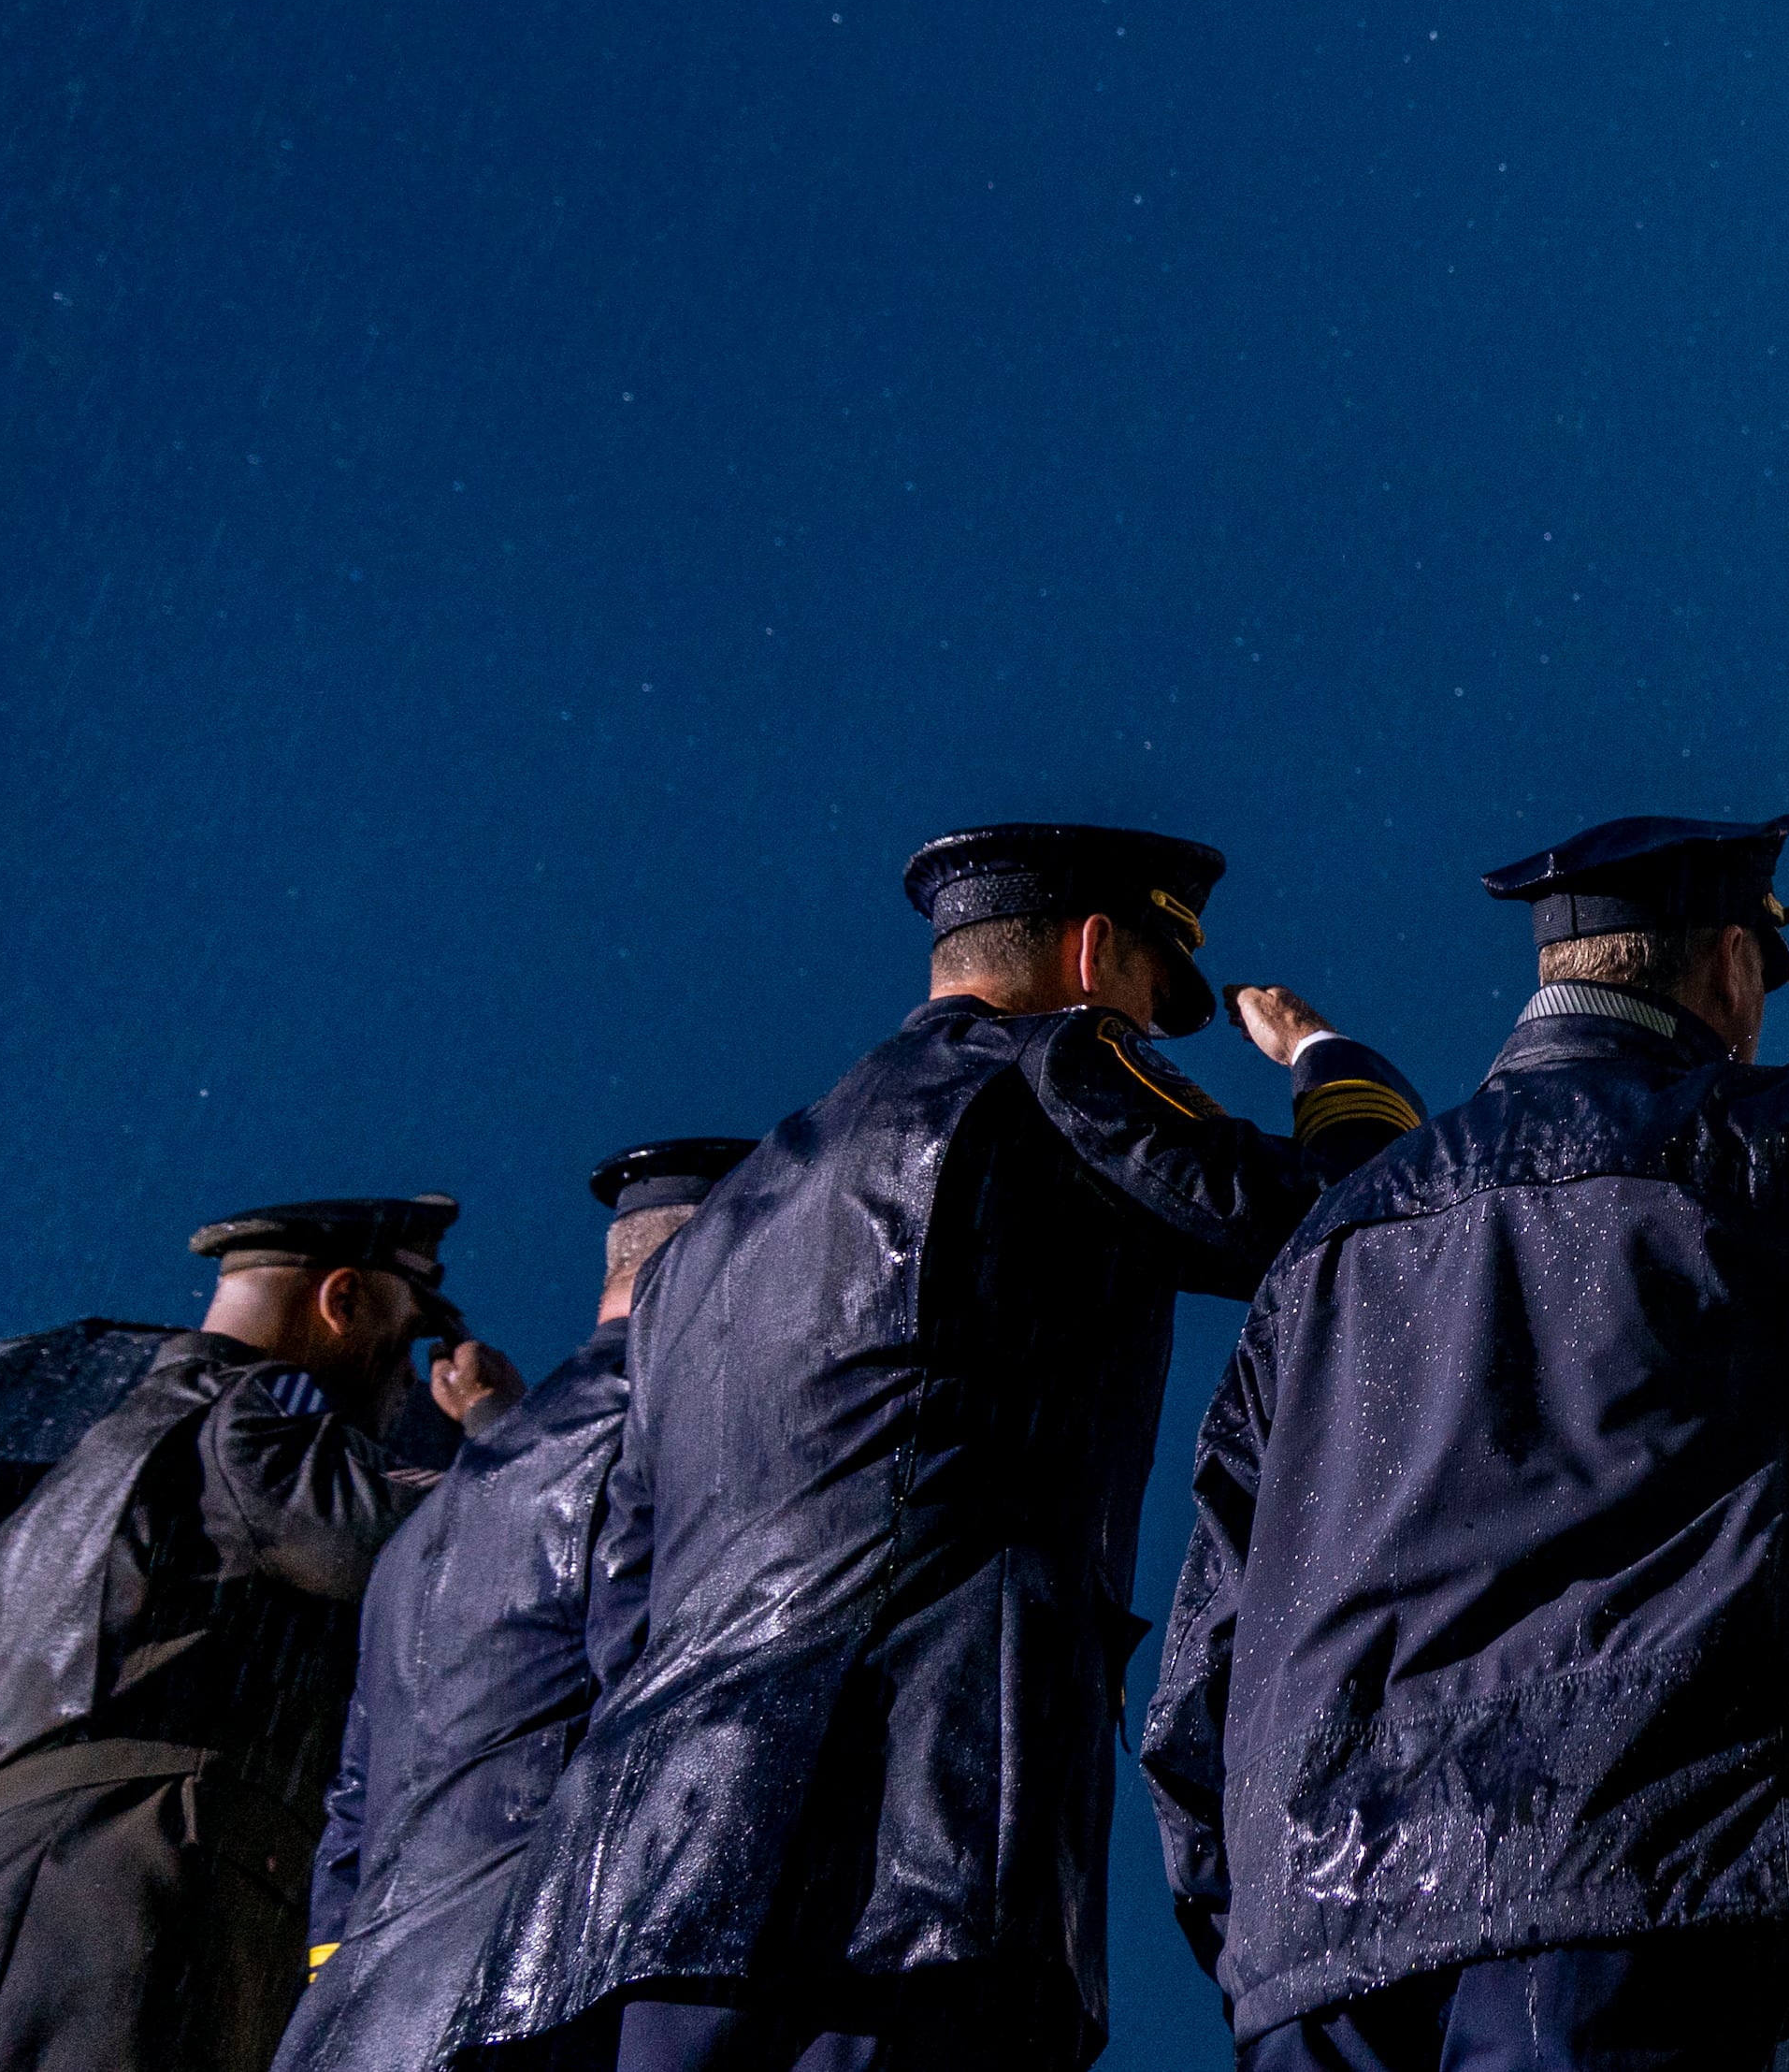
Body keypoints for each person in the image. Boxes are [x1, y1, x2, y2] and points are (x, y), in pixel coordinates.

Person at [458, 824, 1424, 2072]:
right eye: (1144, 991)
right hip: (902, 1843)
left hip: (652, 1861)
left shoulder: (712, 1236)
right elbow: (1341, 1225)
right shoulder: (1050, 1070)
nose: (1143, 1026)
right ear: (1091, 953)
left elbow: (626, 1594)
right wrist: (1333, 1067)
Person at [1144, 815, 1789, 2072]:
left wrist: (1242, 1911)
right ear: (1734, 967)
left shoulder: (1329, 1243)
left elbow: (1215, 1622)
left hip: (1320, 1926)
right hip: (1613, 1883)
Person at [0, 1197, 520, 2072]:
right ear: (342, 1299)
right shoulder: (243, 1429)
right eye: (411, 1334)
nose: (410, 1377)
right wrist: (506, 1432)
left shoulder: (21, 1526)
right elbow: (468, 1548)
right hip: (123, 1916)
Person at [274, 1138, 757, 2072]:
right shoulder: (676, 1449)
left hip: (357, 2025)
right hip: (525, 2007)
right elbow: (667, 1730)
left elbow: (352, 1823)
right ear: (726, 1262)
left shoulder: (435, 1520)